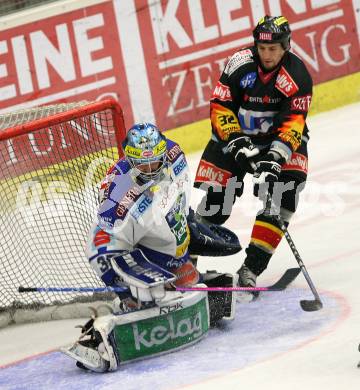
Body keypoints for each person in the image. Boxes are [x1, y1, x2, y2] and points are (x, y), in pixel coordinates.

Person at [194, 15, 313, 291]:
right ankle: (186, 265)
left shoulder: (297, 76)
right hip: (234, 138)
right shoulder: (239, 64)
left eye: (273, 49)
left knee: (283, 200)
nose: (266, 54)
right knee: (217, 202)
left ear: (286, 46)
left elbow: (294, 123)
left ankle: (251, 269)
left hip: (277, 143)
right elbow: (220, 105)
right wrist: (236, 142)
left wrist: (273, 160)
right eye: (262, 48)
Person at [86, 122, 240, 317]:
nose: (151, 169)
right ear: (130, 160)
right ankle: (132, 300)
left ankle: (180, 271)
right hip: (142, 252)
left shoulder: (174, 153)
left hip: (171, 250)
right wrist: (126, 284)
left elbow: (180, 200)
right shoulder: (117, 191)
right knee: (149, 299)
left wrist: (188, 225)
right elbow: (102, 240)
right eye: (143, 164)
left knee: (193, 287)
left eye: (155, 161)